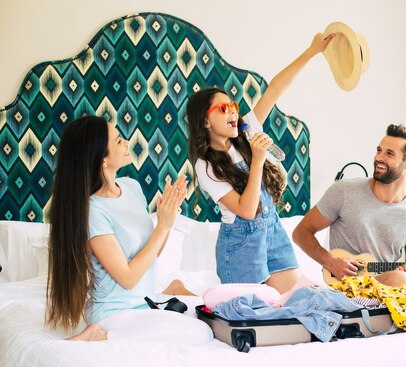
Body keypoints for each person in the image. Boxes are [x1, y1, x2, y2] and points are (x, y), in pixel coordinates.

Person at [187, 32, 334, 294]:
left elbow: (276, 88)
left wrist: (312, 51)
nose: (232, 111)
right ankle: (186, 289)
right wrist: (257, 160)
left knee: (304, 297)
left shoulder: (245, 132)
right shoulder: (206, 166)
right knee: (255, 312)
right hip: (240, 244)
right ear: (205, 122)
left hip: (272, 232)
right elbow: (246, 210)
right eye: (222, 109)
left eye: (232, 105)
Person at [46, 115, 211, 341]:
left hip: (144, 303)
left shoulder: (131, 187)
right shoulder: (93, 210)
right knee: (198, 333)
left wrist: (168, 219)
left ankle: (172, 288)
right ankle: (96, 334)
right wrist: (161, 228)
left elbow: (152, 254)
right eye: (117, 141)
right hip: (115, 311)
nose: (126, 142)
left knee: (204, 324)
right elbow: (127, 278)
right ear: (101, 160)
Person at [292, 124, 406, 301]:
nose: (379, 157)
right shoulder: (344, 191)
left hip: (391, 284)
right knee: (400, 281)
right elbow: (301, 232)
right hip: (348, 289)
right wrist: (330, 261)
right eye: (379, 150)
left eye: (389, 153)